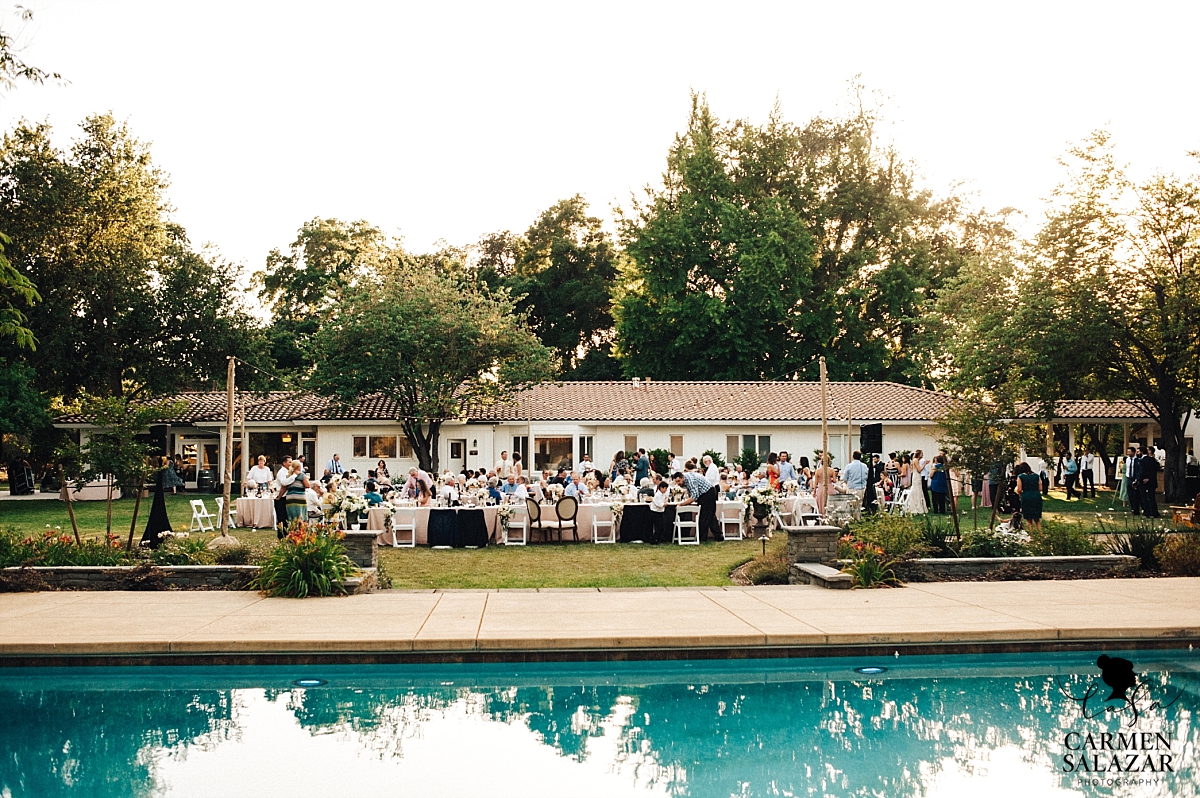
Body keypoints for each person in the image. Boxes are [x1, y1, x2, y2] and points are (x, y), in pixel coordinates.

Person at [674, 470, 723, 541]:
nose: (678, 483)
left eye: (679, 481)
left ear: (682, 477)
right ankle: (718, 535)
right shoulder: (686, 478)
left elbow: (694, 497)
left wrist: (681, 504)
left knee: (704, 516)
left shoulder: (691, 481)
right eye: (676, 482)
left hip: (707, 493)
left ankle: (702, 537)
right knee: (710, 515)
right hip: (705, 493)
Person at [1014, 462, 1043, 531]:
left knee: (1029, 519)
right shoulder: (1036, 476)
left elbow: (1019, 489)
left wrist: (1021, 495)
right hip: (1036, 496)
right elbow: (1040, 488)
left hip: (1026, 496)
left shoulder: (1020, 477)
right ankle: (1040, 534)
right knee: (1037, 519)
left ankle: (1032, 535)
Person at [273, 455, 293, 534]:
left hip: (285, 497)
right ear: (284, 463)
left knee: (285, 517)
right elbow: (284, 485)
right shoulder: (282, 472)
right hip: (282, 497)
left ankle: (286, 533)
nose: (291, 464)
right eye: (289, 462)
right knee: (281, 517)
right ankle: (281, 534)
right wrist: (279, 497)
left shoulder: (288, 472)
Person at [1139, 447, 1160, 518]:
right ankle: (1154, 512)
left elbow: (1142, 471)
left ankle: (1146, 512)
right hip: (1152, 481)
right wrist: (1150, 477)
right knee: (1152, 497)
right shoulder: (1152, 459)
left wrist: (1143, 478)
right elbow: (1156, 468)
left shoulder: (1142, 461)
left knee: (1144, 497)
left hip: (1144, 481)